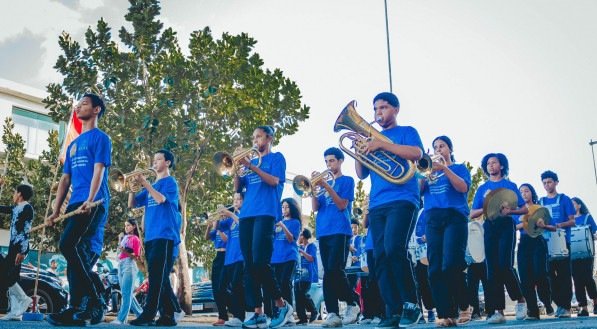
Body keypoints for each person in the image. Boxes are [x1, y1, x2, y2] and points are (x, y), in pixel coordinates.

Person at [355, 92, 424, 327]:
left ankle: (411, 304)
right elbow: (361, 174)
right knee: (380, 256)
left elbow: (416, 154)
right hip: (377, 203)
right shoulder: (373, 139)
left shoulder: (406, 132)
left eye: (383, 107)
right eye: (375, 109)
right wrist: (359, 149)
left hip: (403, 198)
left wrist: (380, 144)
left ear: (396, 109)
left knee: (395, 248)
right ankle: (392, 311)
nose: (378, 113)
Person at [45, 93, 111, 326]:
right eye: (78, 104)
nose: (79, 106)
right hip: (75, 204)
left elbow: (99, 171)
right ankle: (78, 308)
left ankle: (94, 300)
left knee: (68, 245)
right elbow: (65, 180)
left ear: (96, 110)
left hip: (94, 202)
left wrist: (90, 199)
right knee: (76, 255)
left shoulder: (101, 138)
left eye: (84, 103)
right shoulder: (73, 145)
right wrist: (55, 211)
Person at [233, 125, 293, 329]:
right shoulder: (249, 163)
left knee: (260, 261)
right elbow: (237, 189)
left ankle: (281, 305)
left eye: (258, 136)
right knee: (248, 265)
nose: (254, 140)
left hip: (266, 213)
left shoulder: (277, 158)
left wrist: (250, 166)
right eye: (253, 137)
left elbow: (274, 181)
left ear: (269, 138)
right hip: (246, 215)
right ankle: (257, 312)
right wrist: (236, 167)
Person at [470, 153, 527, 324]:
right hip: (490, 226)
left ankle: (521, 299)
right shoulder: (482, 188)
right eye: (488, 163)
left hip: (506, 225)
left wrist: (511, 211)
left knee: (504, 265)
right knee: (492, 269)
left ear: (501, 166)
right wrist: (487, 206)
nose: (491, 166)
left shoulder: (510, 185)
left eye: (494, 163)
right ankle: (498, 311)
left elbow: (524, 209)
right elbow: (473, 213)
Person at [421, 135, 472, 327]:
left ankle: (464, 305)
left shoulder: (458, 168)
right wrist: (422, 172)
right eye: (435, 147)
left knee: (451, 264)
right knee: (434, 268)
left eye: (442, 146)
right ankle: (446, 314)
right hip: (433, 218)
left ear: (450, 149)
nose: (438, 150)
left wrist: (444, 168)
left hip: (454, 216)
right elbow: (418, 191)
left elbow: (463, 187)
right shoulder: (428, 172)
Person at [128, 149, 181, 326]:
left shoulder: (170, 182)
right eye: (154, 159)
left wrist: (145, 183)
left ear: (167, 163)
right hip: (151, 236)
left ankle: (149, 314)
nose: (155, 162)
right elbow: (132, 204)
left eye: (158, 159)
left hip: (164, 234)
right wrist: (132, 187)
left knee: (157, 277)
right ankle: (169, 315)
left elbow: (160, 199)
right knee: (159, 276)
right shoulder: (151, 184)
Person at [312, 146, 360, 327]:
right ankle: (333, 313)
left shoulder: (347, 180)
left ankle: (352, 301)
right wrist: (314, 189)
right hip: (323, 230)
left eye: (331, 161)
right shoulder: (323, 185)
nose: (328, 164)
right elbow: (316, 208)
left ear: (340, 161)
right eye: (326, 161)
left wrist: (325, 186)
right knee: (328, 273)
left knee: (335, 269)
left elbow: (341, 205)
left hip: (340, 229)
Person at [539, 170, 576, 318]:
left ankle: (565, 306)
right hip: (546, 243)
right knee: (549, 275)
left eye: (549, 182)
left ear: (556, 183)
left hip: (562, 242)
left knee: (564, 275)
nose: (547, 185)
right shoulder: (541, 202)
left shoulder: (564, 199)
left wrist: (559, 225)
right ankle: (558, 303)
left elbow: (572, 220)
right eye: (544, 183)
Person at [515, 183, 552, 320]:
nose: (524, 194)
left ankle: (547, 302)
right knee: (525, 278)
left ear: (532, 193)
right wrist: (526, 221)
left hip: (538, 241)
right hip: (524, 243)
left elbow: (548, 224)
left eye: (526, 191)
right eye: (521, 192)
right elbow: (515, 226)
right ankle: (533, 310)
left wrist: (539, 222)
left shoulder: (540, 208)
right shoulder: (517, 210)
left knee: (540, 273)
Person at [0, 183, 34, 321]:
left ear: (19, 194)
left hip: (20, 247)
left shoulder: (27, 208)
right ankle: (15, 312)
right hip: (13, 246)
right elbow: (4, 209)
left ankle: (24, 299)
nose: (13, 195)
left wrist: (22, 251)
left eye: (15, 192)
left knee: (7, 276)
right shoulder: (16, 208)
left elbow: (26, 230)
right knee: (9, 276)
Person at [271, 198, 301, 318]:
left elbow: (291, 239)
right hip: (275, 258)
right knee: (276, 286)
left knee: (285, 283)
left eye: (287, 207)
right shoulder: (276, 222)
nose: (284, 209)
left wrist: (282, 225)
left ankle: (289, 313)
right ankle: (278, 312)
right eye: (282, 207)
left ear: (292, 208)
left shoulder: (295, 222)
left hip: (289, 257)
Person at [219, 192, 245, 327]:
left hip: (240, 257)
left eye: (239, 199)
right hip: (229, 258)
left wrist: (229, 214)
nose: (235, 202)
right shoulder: (230, 219)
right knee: (226, 287)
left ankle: (239, 316)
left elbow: (243, 224)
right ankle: (236, 314)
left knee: (237, 285)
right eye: (234, 199)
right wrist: (218, 216)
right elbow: (219, 228)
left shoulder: (245, 215)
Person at [204, 204, 233, 326]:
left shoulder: (230, 224)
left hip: (227, 255)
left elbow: (227, 240)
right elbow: (207, 237)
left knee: (224, 287)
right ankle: (222, 316)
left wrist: (219, 228)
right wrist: (210, 225)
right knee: (216, 288)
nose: (220, 215)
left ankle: (234, 310)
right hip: (218, 257)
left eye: (222, 213)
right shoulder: (217, 225)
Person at [111, 219, 144, 324]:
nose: (126, 227)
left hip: (129, 265)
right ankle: (142, 315)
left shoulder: (135, 239)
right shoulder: (124, 238)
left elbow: (136, 257)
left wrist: (124, 250)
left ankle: (121, 319)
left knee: (126, 293)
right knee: (128, 293)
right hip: (120, 265)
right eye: (125, 225)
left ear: (134, 226)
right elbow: (119, 252)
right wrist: (120, 239)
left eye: (128, 225)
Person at [358, 197, 384, 325]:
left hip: (381, 245)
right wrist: (367, 211)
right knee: (371, 280)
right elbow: (364, 225)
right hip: (370, 245)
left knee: (381, 279)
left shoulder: (382, 205)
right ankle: (370, 313)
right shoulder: (371, 209)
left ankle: (381, 313)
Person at [571, 196, 597, 316]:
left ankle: (595, 303)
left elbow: (594, 232)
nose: (571, 206)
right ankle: (584, 308)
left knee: (588, 279)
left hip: (587, 254)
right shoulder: (569, 220)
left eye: (573, 204)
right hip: (573, 255)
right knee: (577, 281)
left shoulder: (587, 217)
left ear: (579, 205)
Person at [412, 210, 435, 324]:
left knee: (425, 282)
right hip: (410, 250)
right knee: (414, 284)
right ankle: (419, 313)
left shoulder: (423, 210)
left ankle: (430, 309)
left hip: (423, 250)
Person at [294, 228, 319, 325]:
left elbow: (311, 258)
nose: (298, 237)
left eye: (300, 235)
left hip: (307, 275)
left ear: (303, 236)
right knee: (297, 296)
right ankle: (302, 318)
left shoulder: (311, 246)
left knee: (302, 294)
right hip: (298, 275)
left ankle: (313, 310)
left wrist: (301, 251)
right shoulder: (298, 247)